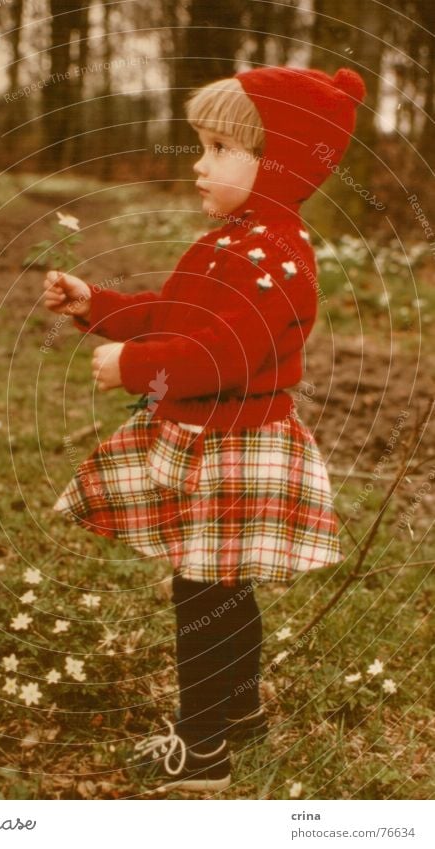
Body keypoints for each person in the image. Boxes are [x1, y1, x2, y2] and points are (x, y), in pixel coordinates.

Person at [43, 65, 366, 794]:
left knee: (204, 596)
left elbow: (222, 354)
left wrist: (134, 366)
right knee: (221, 588)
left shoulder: (273, 256)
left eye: (220, 146)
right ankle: (239, 708)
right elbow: (174, 315)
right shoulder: (235, 239)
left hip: (233, 448)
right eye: (203, 143)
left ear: (277, 160)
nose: (199, 162)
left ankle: (203, 749)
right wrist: (97, 304)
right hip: (213, 443)